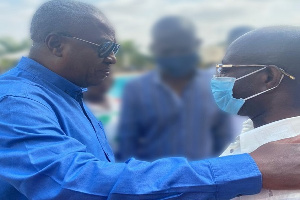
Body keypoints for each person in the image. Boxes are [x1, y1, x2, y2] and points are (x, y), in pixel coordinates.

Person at [0, 1, 300, 199]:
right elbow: (70, 182)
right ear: (56, 44)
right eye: (105, 47)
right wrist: (247, 168)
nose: (114, 58)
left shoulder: (67, 96)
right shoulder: (17, 101)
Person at [117, 16, 233, 161]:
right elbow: (128, 145)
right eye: (168, 51)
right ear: (154, 48)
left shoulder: (215, 87)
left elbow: (224, 141)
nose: (175, 55)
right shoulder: (136, 89)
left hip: (204, 179)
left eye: (183, 49)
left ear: (196, 44)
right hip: (155, 180)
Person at [211, 26, 300, 199]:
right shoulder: (252, 134)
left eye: (225, 69)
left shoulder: (290, 175)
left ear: (268, 77)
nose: (217, 77)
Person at [84, 75, 119, 151]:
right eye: (98, 79)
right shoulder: (82, 109)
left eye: (107, 78)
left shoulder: (117, 103)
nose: (103, 83)